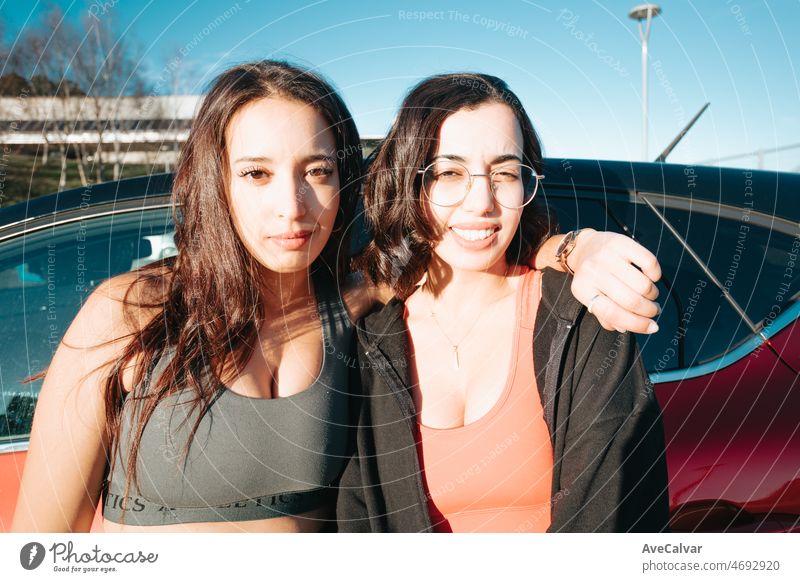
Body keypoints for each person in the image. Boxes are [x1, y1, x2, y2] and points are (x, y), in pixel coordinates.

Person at [12, 61, 663, 533]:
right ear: (217, 182)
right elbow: (40, 545)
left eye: (317, 172)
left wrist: (580, 249)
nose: (290, 207)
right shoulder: (131, 312)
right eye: (257, 173)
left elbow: (477, 246)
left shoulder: (352, 306)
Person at [336, 73, 670, 533]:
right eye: (449, 173)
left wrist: (577, 245)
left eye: (505, 173)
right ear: (410, 184)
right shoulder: (366, 340)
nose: (482, 203)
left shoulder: (578, 317)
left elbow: (614, 519)